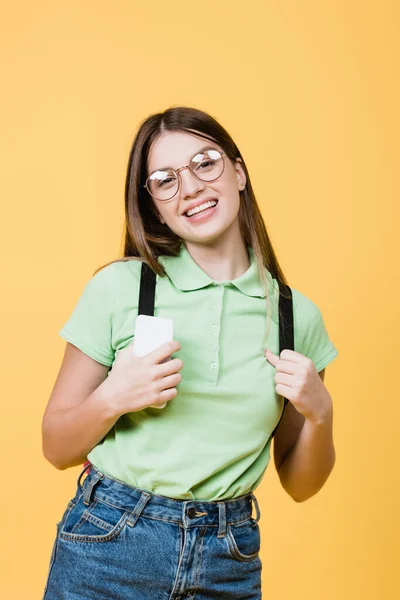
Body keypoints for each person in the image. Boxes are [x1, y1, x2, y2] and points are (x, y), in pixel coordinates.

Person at [41, 106, 338, 599]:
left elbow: (301, 485)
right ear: (155, 204)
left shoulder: (294, 317)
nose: (192, 187)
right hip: (109, 545)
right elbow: (55, 447)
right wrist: (114, 396)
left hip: (228, 559)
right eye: (165, 179)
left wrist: (321, 416)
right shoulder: (122, 288)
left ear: (238, 172)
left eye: (205, 163)